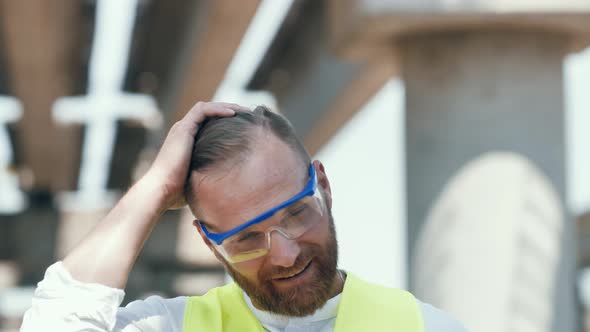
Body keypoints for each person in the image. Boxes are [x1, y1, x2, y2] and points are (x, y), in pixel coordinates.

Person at [20, 102, 467, 331]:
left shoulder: (425, 328)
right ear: (209, 242)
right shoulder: (174, 327)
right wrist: (154, 188)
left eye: (295, 213)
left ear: (324, 187)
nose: (285, 254)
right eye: (245, 239)